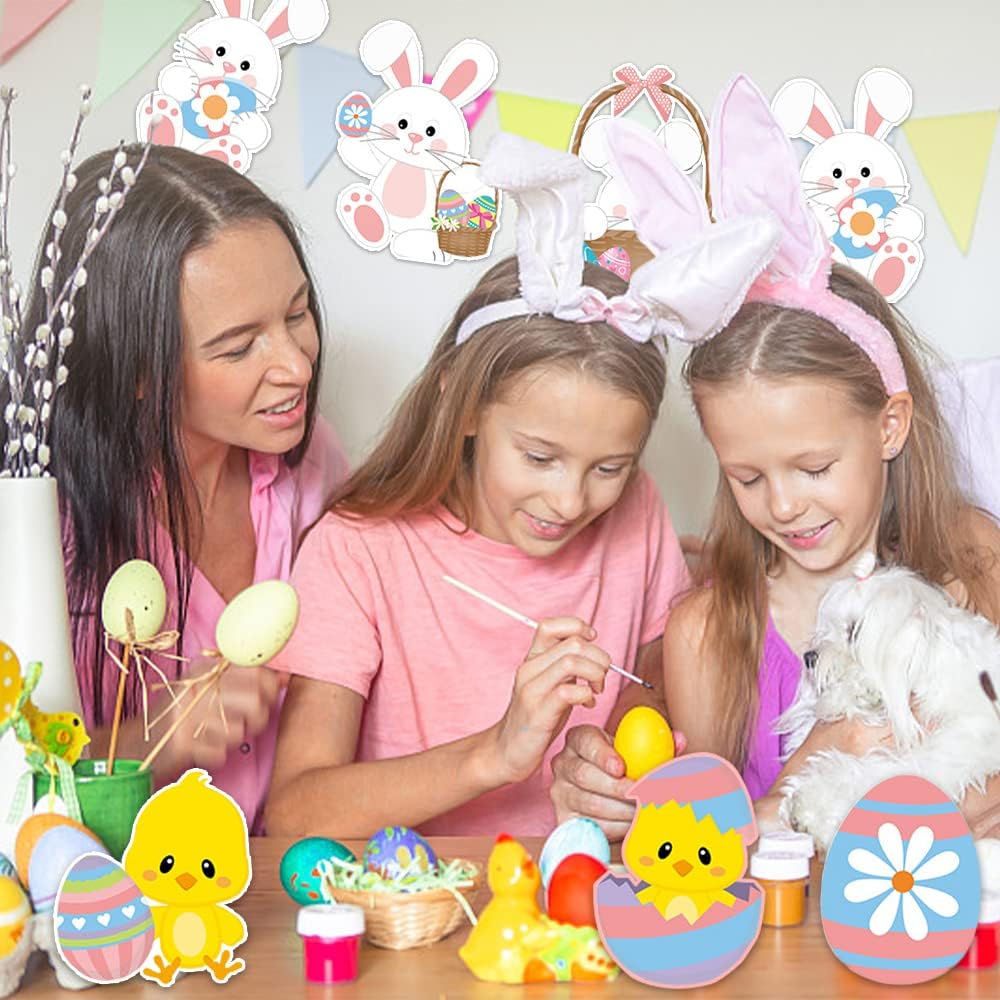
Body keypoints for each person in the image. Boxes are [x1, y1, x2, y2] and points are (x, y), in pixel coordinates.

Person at [265, 135, 711, 838]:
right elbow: (295, 813)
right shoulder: (360, 551)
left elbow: (650, 694)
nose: (570, 502)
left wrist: (608, 756)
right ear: (463, 404)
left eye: (608, 467)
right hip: (420, 897)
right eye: (538, 457)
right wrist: (496, 753)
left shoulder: (637, 510)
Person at [629, 78, 1000, 836]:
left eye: (814, 468)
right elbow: (696, 854)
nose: (784, 504)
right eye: (747, 476)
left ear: (890, 426)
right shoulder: (708, 632)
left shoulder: (974, 557)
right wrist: (811, 767)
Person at [22, 144, 349, 832]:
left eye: (296, 314)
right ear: (136, 369)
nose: (296, 365)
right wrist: (152, 737)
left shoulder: (312, 461)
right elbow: (13, 779)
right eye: (239, 346)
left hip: (282, 880)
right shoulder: (38, 519)